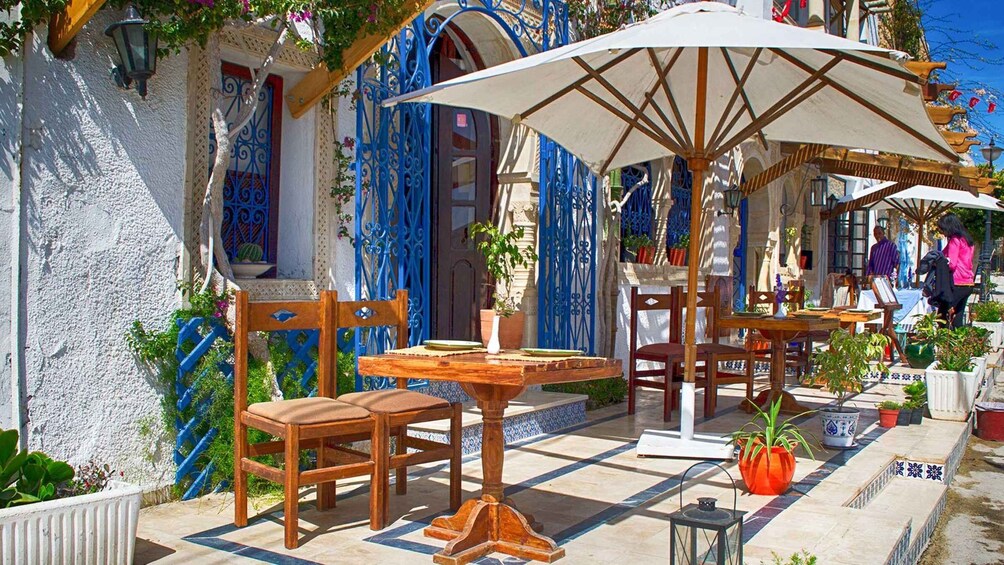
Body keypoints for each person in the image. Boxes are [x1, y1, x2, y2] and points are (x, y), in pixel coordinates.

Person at [937, 213, 975, 328]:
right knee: (958, 317)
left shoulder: (955, 240)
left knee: (942, 316)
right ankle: (958, 338)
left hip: (956, 282)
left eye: (943, 229)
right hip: (968, 282)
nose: (943, 233)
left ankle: (944, 338)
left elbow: (952, 264)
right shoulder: (968, 240)